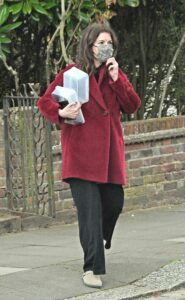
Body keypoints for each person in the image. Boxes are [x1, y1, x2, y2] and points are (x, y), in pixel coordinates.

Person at [37, 22, 141, 288]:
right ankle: (91, 268)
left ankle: (99, 238)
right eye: (101, 43)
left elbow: (132, 105)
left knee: (114, 202)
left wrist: (119, 80)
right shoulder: (72, 73)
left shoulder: (116, 74)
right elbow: (45, 101)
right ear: (89, 46)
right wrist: (61, 113)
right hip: (81, 154)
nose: (106, 48)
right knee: (90, 214)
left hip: (108, 156)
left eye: (110, 43)